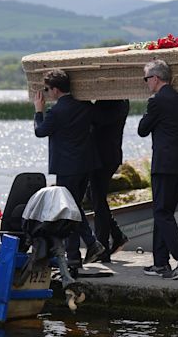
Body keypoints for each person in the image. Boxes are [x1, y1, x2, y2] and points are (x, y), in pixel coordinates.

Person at [33, 69, 105, 269]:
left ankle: (91, 244)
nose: (46, 93)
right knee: (74, 208)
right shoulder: (84, 106)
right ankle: (74, 256)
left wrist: (38, 110)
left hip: (67, 167)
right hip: (86, 164)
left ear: (55, 90)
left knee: (69, 211)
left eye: (47, 90)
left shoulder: (55, 112)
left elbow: (40, 131)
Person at [138, 59, 178, 280]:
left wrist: (148, 109)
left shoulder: (157, 101)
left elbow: (142, 130)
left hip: (165, 165)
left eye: (146, 79)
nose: (146, 83)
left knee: (162, 212)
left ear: (155, 78)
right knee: (164, 212)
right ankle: (160, 263)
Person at [89, 99, 130, 262]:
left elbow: (99, 119)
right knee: (96, 199)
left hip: (103, 157)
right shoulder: (121, 100)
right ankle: (116, 235)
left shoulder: (113, 102)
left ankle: (103, 248)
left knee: (98, 201)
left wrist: (84, 105)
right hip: (108, 155)